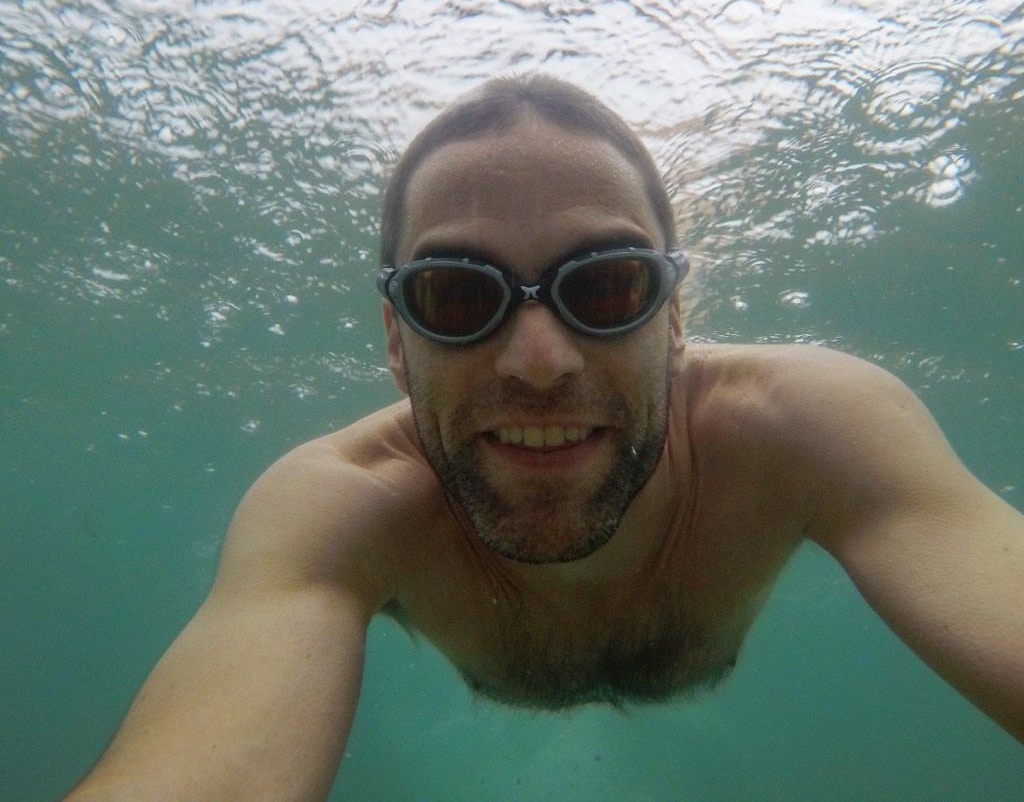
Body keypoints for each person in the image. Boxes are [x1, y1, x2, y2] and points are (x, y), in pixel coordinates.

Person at [65, 73, 1024, 801]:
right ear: (396, 341)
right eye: (457, 295)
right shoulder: (342, 503)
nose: (537, 360)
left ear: (674, 318)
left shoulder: (805, 425)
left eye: (605, 284)